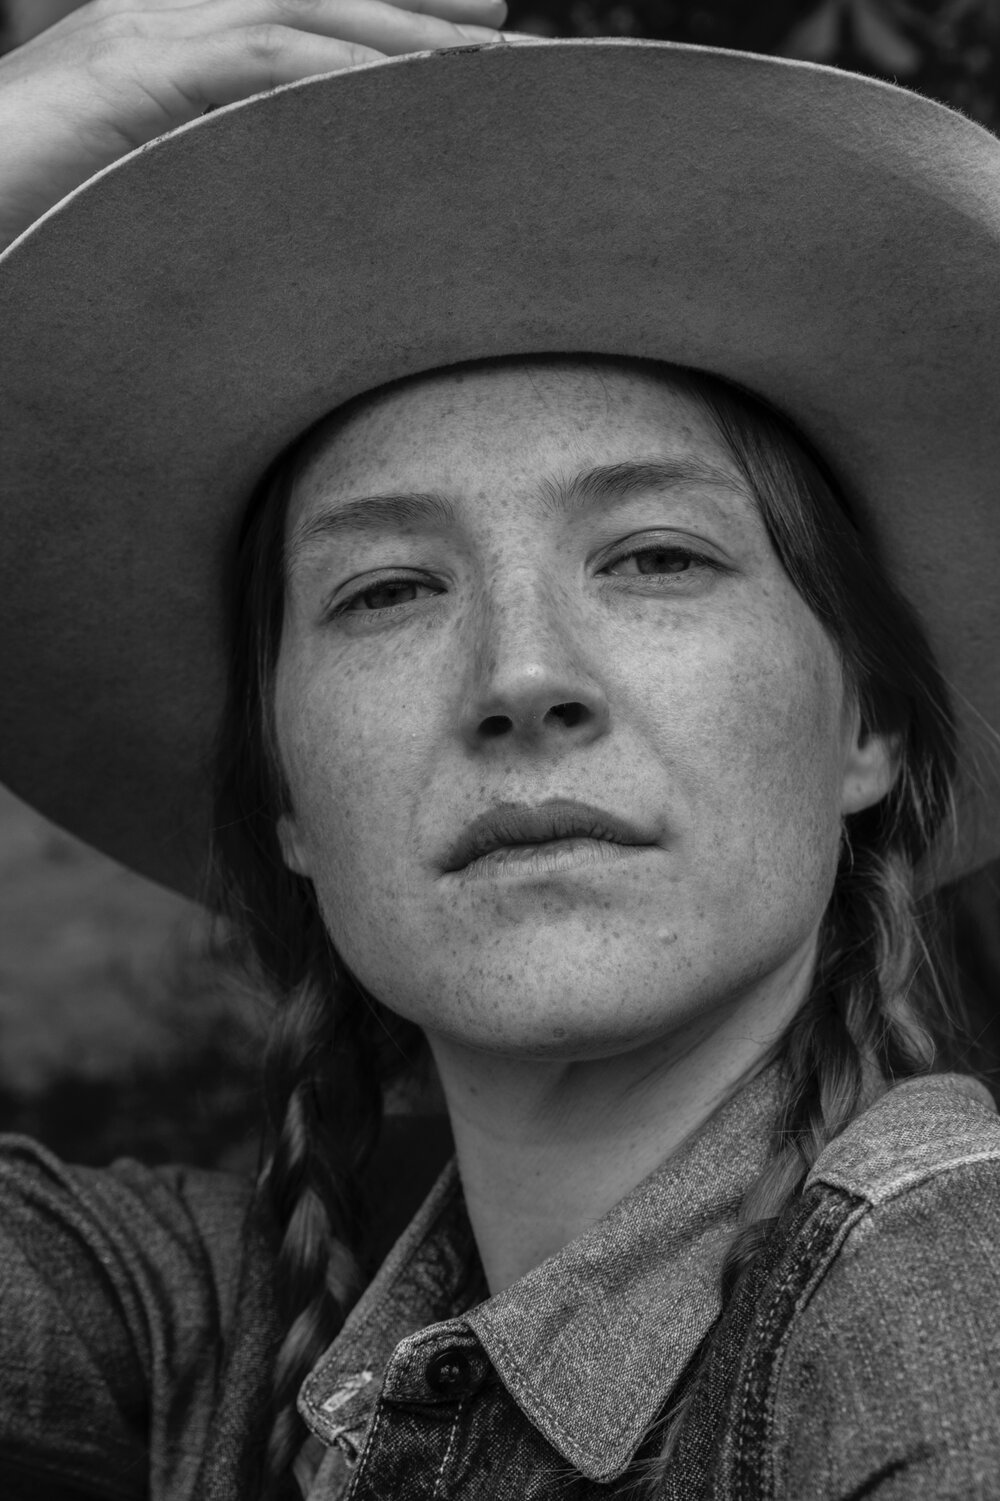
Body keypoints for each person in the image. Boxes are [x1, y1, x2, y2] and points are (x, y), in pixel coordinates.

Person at [2, 3, 1000, 1499]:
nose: (522, 677)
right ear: (285, 796)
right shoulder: (224, 1333)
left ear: (866, 726)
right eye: (387, 591)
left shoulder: (938, 1272)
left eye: (656, 557)